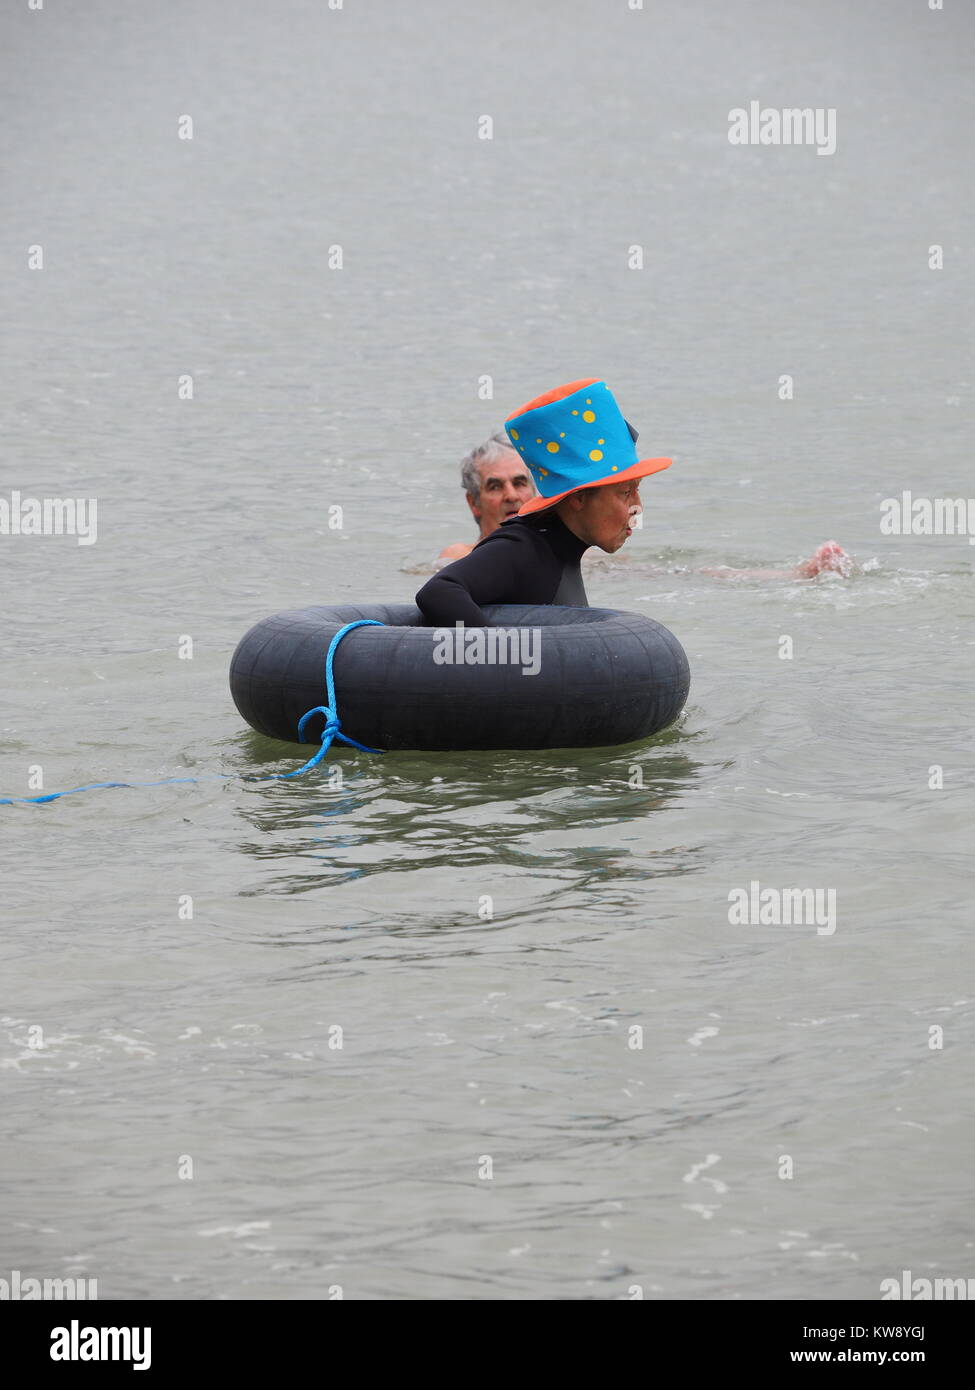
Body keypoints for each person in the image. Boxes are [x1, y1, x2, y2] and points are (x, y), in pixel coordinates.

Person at [417, 379, 667, 625]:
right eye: (625, 492)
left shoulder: (559, 549)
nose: (637, 508)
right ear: (578, 497)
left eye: (637, 490)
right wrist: (502, 658)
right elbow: (440, 592)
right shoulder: (524, 549)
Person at [437, 435, 537, 562]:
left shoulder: (556, 548)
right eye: (495, 487)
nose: (511, 496)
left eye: (519, 483)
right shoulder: (460, 559)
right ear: (473, 503)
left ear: (535, 491)